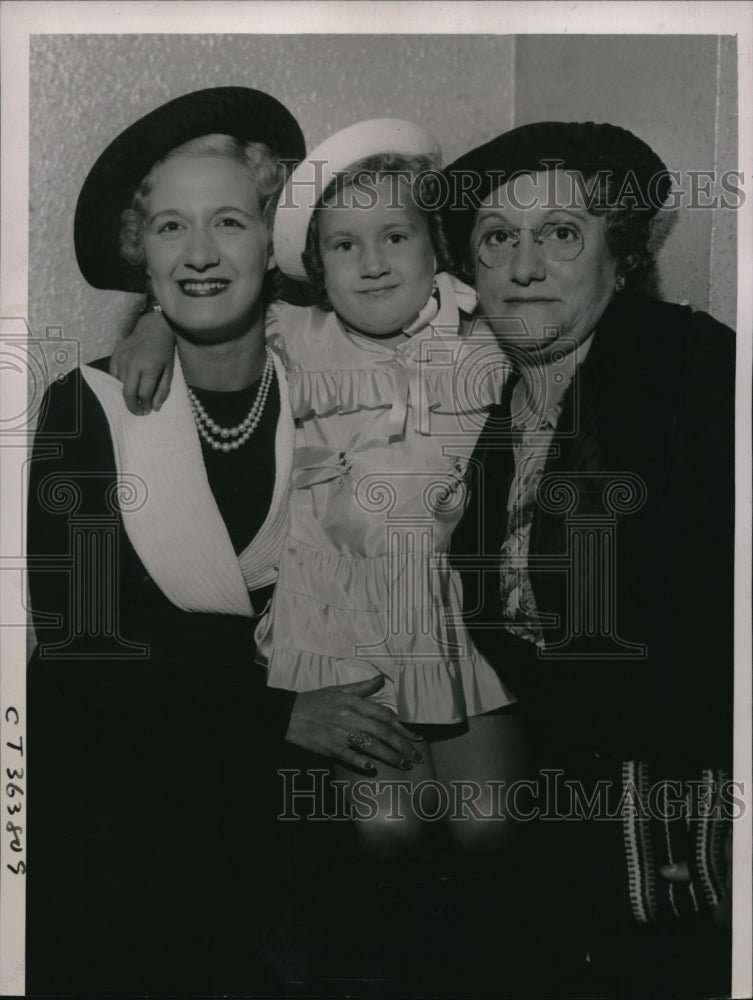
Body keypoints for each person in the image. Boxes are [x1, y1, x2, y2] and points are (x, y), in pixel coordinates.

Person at [26, 87, 424, 997]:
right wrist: (278, 712)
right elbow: (80, 638)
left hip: (293, 767)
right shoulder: (82, 406)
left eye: (229, 223)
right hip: (126, 768)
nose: (200, 254)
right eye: (170, 227)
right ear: (142, 252)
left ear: (273, 241)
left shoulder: (338, 376)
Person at [108, 118, 528, 861]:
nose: (370, 263)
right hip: (336, 626)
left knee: (489, 824)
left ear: (437, 247)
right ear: (315, 267)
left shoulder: (484, 339)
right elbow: (203, 295)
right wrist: (151, 328)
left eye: (395, 237)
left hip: (443, 616)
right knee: (388, 831)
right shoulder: (295, 334)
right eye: (343, 245)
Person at [446, 121, 735, 996]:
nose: (523, 268)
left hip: (678, 819)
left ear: (623, 259)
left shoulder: (691, 368)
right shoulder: (491, 410)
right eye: (498, 240)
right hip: (556, 804)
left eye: (559, 236)